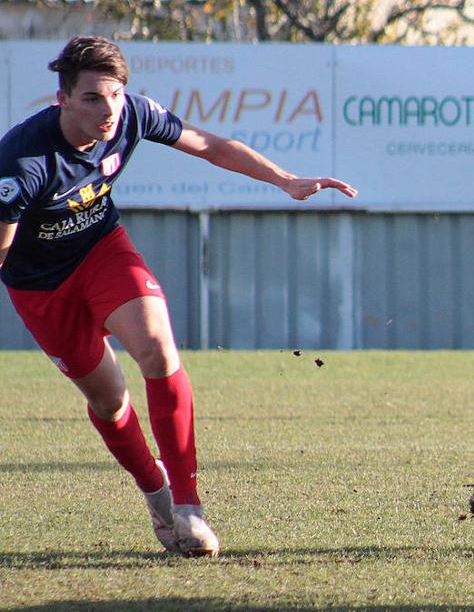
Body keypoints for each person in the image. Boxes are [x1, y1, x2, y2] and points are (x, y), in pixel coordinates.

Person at [0, 37, 357, 557]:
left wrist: (285, 180)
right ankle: (156, 492)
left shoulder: (134, 116)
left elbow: (210, 145)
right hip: (42, 289)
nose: (108, 110)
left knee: (159, 351)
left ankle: (190, 509)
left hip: (102, 252)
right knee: (108, 399)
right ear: (62, 100)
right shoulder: (21, 162)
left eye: (116, 95)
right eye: (93, 98)